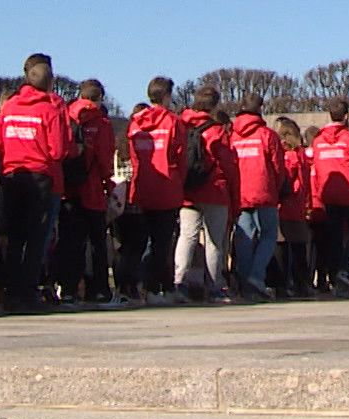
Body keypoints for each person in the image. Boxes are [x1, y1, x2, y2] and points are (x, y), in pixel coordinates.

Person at [0, 54, 73, 313]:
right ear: (50, 82)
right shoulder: (50, 109)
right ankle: (27, 293)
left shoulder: (10, 107)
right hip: (39, 178)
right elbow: (58, 151)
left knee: (14, 238)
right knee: (36, 239)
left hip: (12, 176)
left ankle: (12, 292)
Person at [53, 80, 116, 306]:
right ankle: (97, 289)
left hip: (69, 187)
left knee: (70, 241)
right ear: (100, 97)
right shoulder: (102, 122)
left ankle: (68, 288)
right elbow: (105, 158)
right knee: (97, 243)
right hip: (92, 188)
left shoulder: (67, 117)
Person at [123, 79, 185, 304]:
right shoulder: (173, 122)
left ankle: (139, 285)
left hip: (142, 186)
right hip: (166, 187)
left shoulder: (136, 123)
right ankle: (152, 288)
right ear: (167, 96)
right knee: (162, 242)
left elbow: (133, 155)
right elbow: (179, 156)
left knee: (138, 241)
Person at [176, 87, 237, 302]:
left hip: (188, 190)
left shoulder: (182, 125)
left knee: (187, 236)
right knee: (214, 242)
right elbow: (227, 164)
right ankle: (214, 285)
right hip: (214, 190)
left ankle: (179, 281)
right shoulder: (217, 130)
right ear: (215, 105)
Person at [308, 100, 349, 295]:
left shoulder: (318, 141)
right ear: (346, 116)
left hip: (328, 194)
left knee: (335, 237)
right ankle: (344, 270)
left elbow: (318, 168)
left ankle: (336, 275)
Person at [226, 94, 285, 301]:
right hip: (264, 191)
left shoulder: (232, 135)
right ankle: (256, 277)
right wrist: (274, 188)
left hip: (240, 193)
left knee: (244, 238)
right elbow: (278, 167)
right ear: (260, 108)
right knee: (268, 236)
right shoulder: (267, 135)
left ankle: (245, 282)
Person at [273, 116, 313, 298]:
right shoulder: (298, 156)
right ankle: (300, 283)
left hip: (281, 206)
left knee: (281, 246)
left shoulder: (283, 155)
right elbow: (302, 183)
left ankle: (280, 284)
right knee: (298, 247)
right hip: (294, 206)